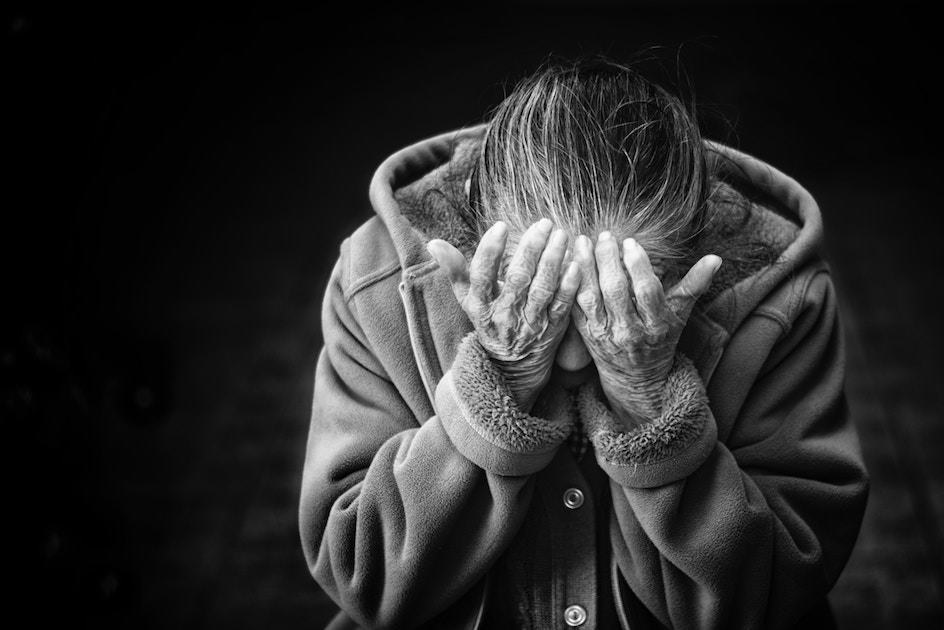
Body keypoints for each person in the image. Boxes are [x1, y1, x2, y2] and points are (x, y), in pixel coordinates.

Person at [299, 55, 869, 630]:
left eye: (621, 300)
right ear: (473, 229)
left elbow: (774, 597)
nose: (573, 355)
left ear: (701, 257)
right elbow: (362, 578)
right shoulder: (374, 283)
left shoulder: (787, 301)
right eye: (538, 298)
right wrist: (497, 381)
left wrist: (649, 401)